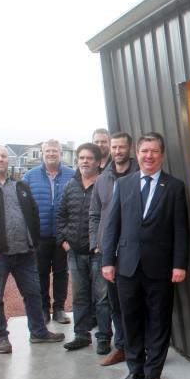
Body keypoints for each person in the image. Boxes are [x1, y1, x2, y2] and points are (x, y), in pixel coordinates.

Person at [102, 132, 189, 379]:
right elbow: (112, 225)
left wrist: (179, 264)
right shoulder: (124, 185)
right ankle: (135, 369)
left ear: (161, 155)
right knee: (131, 320)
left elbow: (180, 230)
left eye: (154, 151)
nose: (148, 156)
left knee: (158, 322)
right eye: (144, 151)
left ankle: (153, 374)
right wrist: (107, 260)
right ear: (136, 154)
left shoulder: (174, 187)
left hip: (161, 269)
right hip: (127, 267)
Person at [0, 146, 65, 353]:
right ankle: (0, 338)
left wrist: (33, 242)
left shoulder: (21, 186)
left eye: (4, 156)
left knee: (34, 293)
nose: (1, 159)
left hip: (24, 254)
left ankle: (38, 332)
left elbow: (33, 214)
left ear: (8, 161)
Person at [57, 143, 112, 354]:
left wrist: (102, 244)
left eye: (89, 158)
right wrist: (64, 240)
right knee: (79, 297)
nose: (85, 161)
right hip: (74, 252)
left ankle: (104, 337)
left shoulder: (106, 184)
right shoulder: (71, 185)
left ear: (98, 162)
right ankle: (81, 335)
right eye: (81, 158)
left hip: (98, 253)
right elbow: (61, 215)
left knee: (102, 298)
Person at [89, 131, 138, 366]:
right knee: (115, 303)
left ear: (130, 149)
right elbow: (94, 215)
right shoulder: (103, 178)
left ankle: (140, 348)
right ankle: (122, 347)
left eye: (122, 147)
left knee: (137, 303)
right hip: (109, 252)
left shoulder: (140, 175)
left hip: (134, 251)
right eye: (114, 147)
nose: (118, 151)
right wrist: (96, 244)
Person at [23, 139, 74, 324]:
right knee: (41, 273)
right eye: (47, 151)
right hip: (39, 236)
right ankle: (44, 308)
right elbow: (23, 207)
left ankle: (59, 308)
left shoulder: (72, 175)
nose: (51, 154)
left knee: (62, 272)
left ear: (60, 153)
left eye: (55, 151)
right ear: (42, 153)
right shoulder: (29, 176)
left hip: (63, 236)